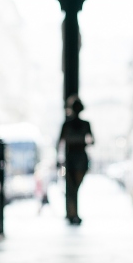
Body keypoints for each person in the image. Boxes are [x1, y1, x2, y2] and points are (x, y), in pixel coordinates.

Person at [58, 96, 93, 225]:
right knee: (74, 187)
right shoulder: (83, 124)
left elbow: (60, 142)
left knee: (73, 187)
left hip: (73, 157)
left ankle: (72, 213)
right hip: (76, 157)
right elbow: (92, 140)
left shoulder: (68, 124)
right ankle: (73, 213)